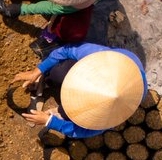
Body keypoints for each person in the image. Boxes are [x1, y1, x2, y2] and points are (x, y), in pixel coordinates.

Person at [13, 43, 146, 138]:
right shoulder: (98, 55)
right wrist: (38, 70)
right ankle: (45, 80)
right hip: (104, 65)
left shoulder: (115, 112)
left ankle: (60, 111)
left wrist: (51, 122)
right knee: (58, 73)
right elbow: (66, 50)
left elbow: (83, 131)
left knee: (69, 114)